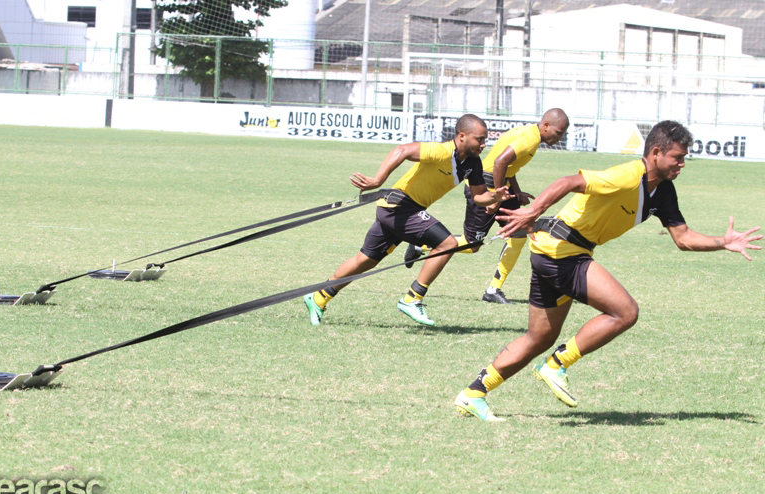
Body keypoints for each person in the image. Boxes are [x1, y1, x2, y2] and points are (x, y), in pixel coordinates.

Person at [453, 120, 762, 421]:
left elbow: (683, 238)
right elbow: (569, 182)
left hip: (556, 251)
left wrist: (724, 242)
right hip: (562, 251)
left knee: (538, 338)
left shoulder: (663, 191)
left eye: (683, 159)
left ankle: (474, 394)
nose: (681, 164)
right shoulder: (628, 175)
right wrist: (532, 211)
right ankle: (557, 364)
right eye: (677, 158)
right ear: (656, 152)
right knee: (625, 311)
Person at [303, 114, 509, 327]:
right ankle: (413, 298)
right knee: (448, 244)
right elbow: (401, 150)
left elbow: (478, 197)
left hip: (400, 210)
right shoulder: (442, 151)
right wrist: (377, 180)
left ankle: (319, 297)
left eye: (485, 139)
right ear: (462, 136)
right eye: (479, 139)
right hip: (399, 206)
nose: (484, 144)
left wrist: (495, 196)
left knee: (365, 260)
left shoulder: (473, 163)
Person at [403, 109, 570, 305]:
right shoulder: (530, 138)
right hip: (487, 186)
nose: (559, 138)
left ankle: (494, 289)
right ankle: (423, 245)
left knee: (518, 233)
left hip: (500, 184)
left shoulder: (530, 133)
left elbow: (509, 166)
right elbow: (500, 162)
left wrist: (516, 192)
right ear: (546, 126)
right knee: (472, 244)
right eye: (558, 132)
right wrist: (497, 198)